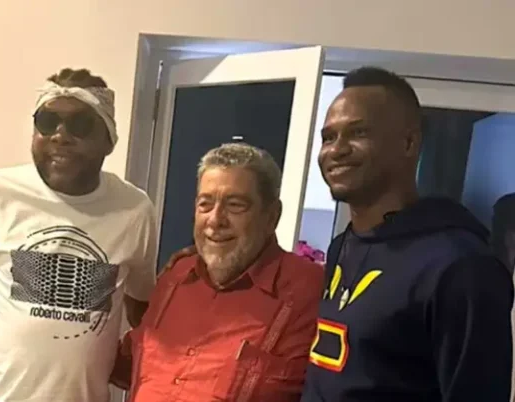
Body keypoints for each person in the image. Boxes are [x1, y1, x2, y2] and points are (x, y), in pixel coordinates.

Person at [0, 68, 158, 402]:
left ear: (108, 140)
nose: (60, 136)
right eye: (48, 122)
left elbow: (144, 316)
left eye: (80, 125)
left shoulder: (134, 209)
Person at [301, 67, 513, 401]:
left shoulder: (461, 266)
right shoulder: (344, 244)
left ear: (409, 143)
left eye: (358, 132)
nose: (336, 150)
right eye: (329, 137)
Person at [111, 143, 324, 402]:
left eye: (235, 205)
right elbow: (131, 361)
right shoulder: (176, 275)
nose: (215, 220)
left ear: (272, 217)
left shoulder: (308, 291)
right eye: (205, 204)